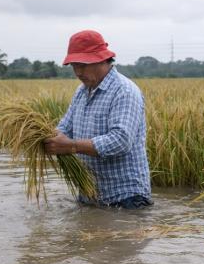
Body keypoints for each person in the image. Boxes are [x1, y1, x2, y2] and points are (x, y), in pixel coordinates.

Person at [43, 30, 152, 209]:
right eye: (74, 65)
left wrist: (71, 146)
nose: (78, 72)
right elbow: (65, 128)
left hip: (125, 199)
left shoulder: (124, 91)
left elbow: (121, 140)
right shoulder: (81, 92)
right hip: (91, 195)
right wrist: (44, 137)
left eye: (83, 65)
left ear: (101, 59)